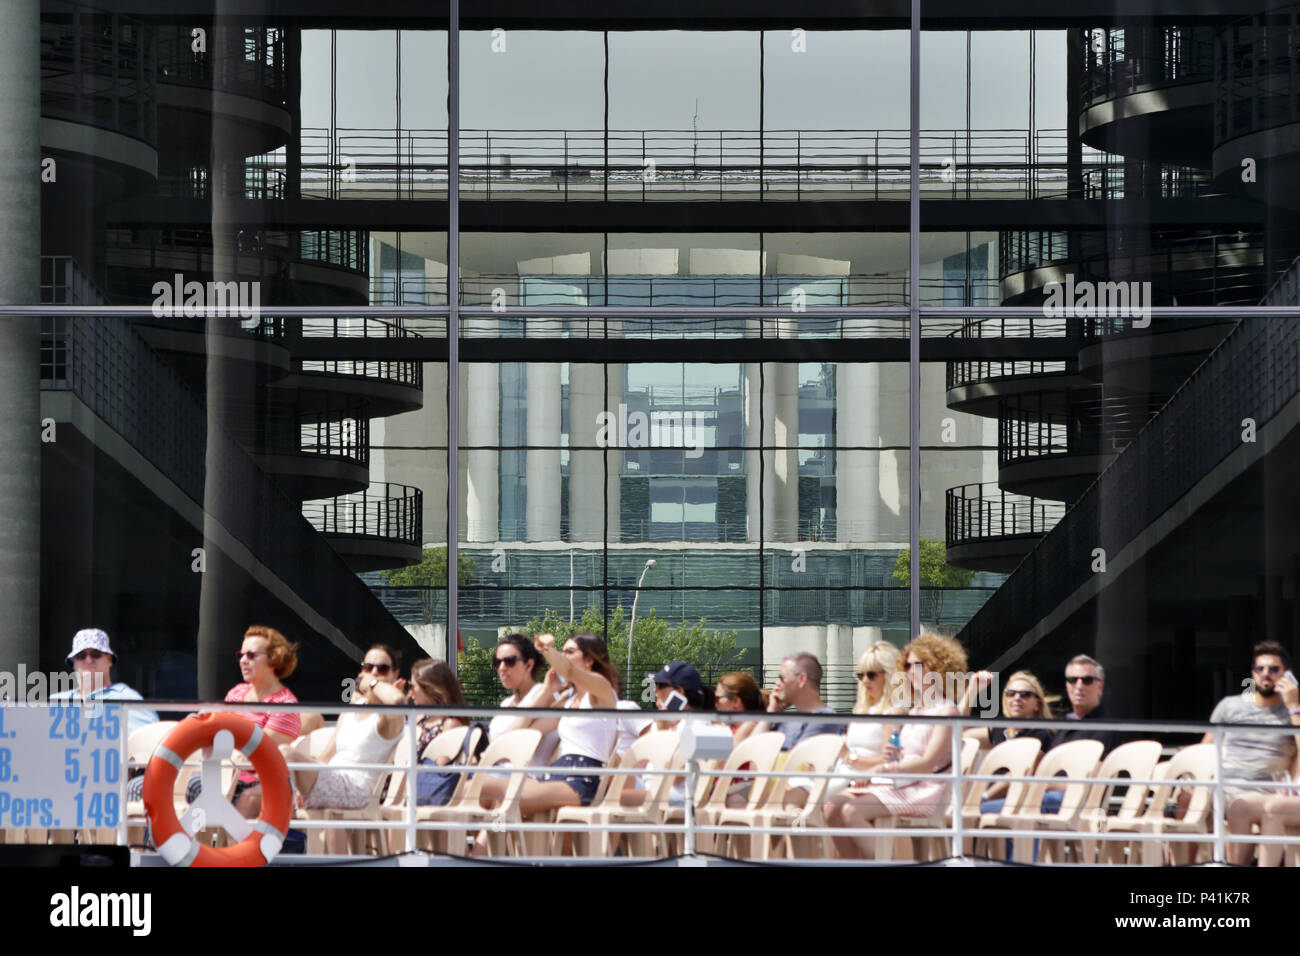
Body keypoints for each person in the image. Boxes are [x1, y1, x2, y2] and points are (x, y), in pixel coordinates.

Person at [823, 633, 967, 860]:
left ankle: (889, 862)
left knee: (852, 811)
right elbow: (907, 756)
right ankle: (854, 863)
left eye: (918, 665)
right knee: (833, 805)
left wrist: (884, 769)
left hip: (926, 790)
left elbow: (928, 763)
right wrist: (893, 757)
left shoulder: (946, 712)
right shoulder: (916, 711)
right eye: (907, 665)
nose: (911, 671)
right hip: (903, 784)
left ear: (937, 667)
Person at [478, 633, 621, 818]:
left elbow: (569, 670)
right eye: (562, 652)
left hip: (584, 776)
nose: (563, 657)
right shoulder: (567, 700)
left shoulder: (601, 689)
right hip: (559, 772)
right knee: (486, 793)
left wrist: (546, 649)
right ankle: (486, 848)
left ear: (589, 659)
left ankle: (493, 845)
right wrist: (547, 691)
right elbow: (513, 737)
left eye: (569, 652)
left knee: (503, 799)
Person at [284, 647, 407, 852]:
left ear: (395, 675)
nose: (374, 672)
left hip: (358, 789)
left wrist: (372, 684)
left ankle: (279, 838)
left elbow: (397, 700)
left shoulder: (389, 717)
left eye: (382, 669)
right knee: (262, 788)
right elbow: (327, 755)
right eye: (368, 667)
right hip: (333, 781)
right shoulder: (353, 708)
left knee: (286, 753)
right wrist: (300, 779)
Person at [1202, 641, 1300, 865]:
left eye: (1274, 670)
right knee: (1186, 798)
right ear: (1252, 674)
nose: (1266, 674)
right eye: (1260, 669)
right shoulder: (1229, 706)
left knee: (1239, 807)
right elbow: (1206, 747)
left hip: (1262, 790)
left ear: (1288, 676)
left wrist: (1294, 706)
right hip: (1220, 784)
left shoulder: (1293, 714)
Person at [214, 625, 304, 817]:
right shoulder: (236, 693)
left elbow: (260, 754)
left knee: (244, 797)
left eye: (251, 655)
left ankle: (226, 846)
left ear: (274, 659)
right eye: (241, 655)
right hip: (225, 773)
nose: (243, 661)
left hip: (257, 782)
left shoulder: (284, 705)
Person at [825, 641, 903, 797]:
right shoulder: (863, 710)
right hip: (843, 774)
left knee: (805, 793)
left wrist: (850, 757)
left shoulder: (894, 712)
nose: (865, 680)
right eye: (862, 675)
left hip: (863, 781)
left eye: (871, 675)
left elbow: (888, 761)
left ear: (889, 675)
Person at [53, 628, 158, 738]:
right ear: (73, 662)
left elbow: (147, 745)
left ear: (110, 660)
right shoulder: (56, 701)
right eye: (81, 655)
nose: (88, 660)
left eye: (96, 654)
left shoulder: (127, 699)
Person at [407, 658, 469, 807]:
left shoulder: (450, 724)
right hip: (409, 786)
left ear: (429, 689)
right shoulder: (419, 719)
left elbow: (440, 767)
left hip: (426, 792)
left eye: (412, 686)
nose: (409, 693)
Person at [749, 653, 843, 750]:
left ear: (802, 679)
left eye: (782, 678)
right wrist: (771, 711)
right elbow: (752, 751)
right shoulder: (782, 718)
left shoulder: (824, 719)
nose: (777, 683)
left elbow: (798, 760)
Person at [484, 634, 548, 740]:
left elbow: (516, 741)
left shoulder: (544, 694)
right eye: (497, 662)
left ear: (529, 665)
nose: (502, 668)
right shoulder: (506, 704)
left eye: (509, 661)